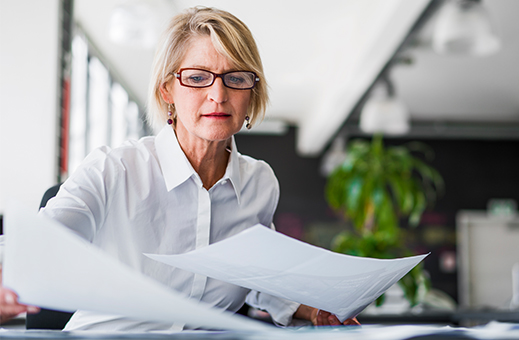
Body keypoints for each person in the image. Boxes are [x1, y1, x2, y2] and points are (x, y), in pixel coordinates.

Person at [0, 6, 358, 330]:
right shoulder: (114, 170)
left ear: (252, 91)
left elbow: (254, 276)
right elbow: (34, 245)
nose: (218, 95)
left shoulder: (258, 183)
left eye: (235, 78)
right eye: (198, 78)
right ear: (167, 90)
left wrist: (311, 309)